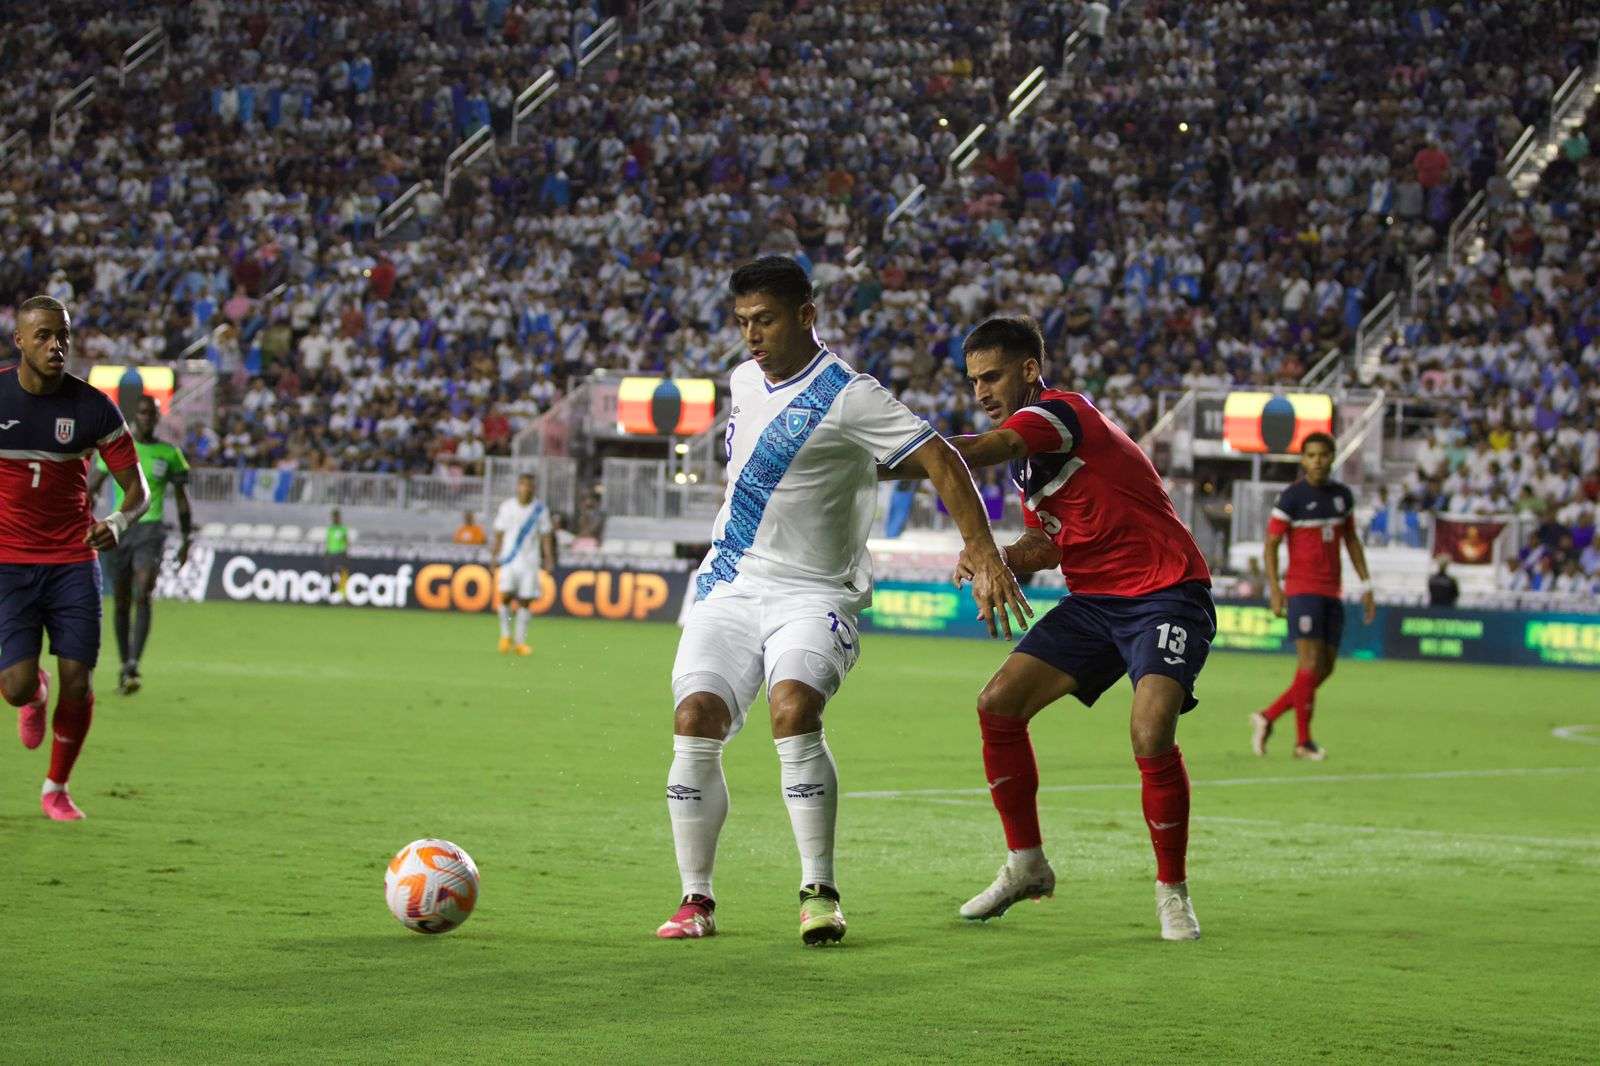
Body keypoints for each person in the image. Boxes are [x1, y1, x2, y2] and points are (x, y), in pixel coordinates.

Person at [657, 258, 1028, 946]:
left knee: (794, 705)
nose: (751, 336)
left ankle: (818, 890)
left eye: (764, 320)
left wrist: (980, 545)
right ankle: (695, 900)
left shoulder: (850, 395)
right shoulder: (742, 381)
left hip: (814, 591)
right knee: (695, 716)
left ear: (805, 315)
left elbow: (940, 458)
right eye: (741, 322)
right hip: (730, 584)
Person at [892, 315, 1215, 941]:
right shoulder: (1033, 471)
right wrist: (1004, 557)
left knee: (1150, 732)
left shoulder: (1058, 415)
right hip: (1096, 601)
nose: (982, 391)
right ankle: (1027, 864)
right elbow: (1051, 543)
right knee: (998, 705)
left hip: (1166, 591)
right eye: (974, 381)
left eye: (992, 377)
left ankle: (1172, 892)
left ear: (1030, 371)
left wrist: (903, 457)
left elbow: (988, 448)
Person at [0, 296, 149, 820]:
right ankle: (34, 698)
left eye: (62, 334)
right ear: (19, 340)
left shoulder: (92, 407)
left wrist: (117, 522)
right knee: (16, 687)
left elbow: (139, 489)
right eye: (42, 335)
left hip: (71, 560)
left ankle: (55, 787)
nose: (56, 345)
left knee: (80, 680)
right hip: (8, 564)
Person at [1254, 432, 1377, 762]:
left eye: (1323, 454)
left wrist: (1366, 586)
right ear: (1303, 460)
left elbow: (1351, 541)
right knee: (1308, 664)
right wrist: (1276, 589)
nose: (1317, 460)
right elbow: (1271, 545)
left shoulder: (1341, 497)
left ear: (1332, 457)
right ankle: (1302, 742)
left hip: (1331, 591)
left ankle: (1267, 716)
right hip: (1302, 590)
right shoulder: (1292, 498)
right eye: (1311, 455)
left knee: (1324, 669)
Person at [88, 394, 193, 695]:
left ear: (158, 418)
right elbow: (91, 486)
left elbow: (183, 501)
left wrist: (188, 538)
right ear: (135, 415)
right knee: (121, 601)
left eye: (152, 413)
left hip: (151, 529)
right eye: (143, 412)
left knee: (144, 590)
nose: (147, 417)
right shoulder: (119, 447)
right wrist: (85, 519)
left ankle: (134, 662)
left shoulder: (170, 453)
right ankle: (124, 664)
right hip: (120, 528)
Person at [491, 473, 555, 656]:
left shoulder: (540, 510)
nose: (527, 488)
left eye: (530, 485)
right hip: (509, 559)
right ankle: (504, 635)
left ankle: (520, 642)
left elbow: (545, 535)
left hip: (530, 561)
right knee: (505, 596)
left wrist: (548, 558)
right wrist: (494, 557)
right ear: (518, 486)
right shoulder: (507, 507)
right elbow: (498, 533)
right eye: (524, 485)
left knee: (526, 601)